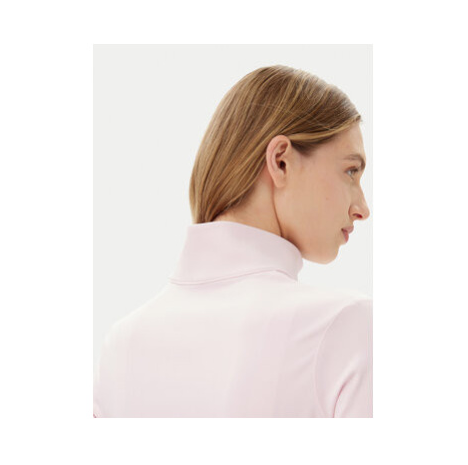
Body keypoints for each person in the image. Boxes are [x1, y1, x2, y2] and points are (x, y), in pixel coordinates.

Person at [93, 65, 372, 418]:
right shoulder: (346, 326)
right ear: (281, 161)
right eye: (351, 171)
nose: (362, 209)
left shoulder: (120, 346)